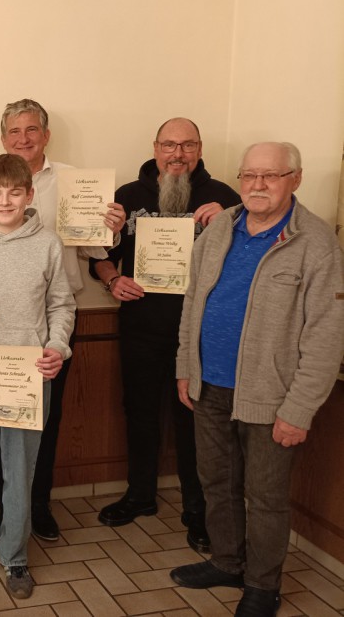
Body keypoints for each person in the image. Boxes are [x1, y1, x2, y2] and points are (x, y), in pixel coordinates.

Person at [170, 142, 344, 617]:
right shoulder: (220, 228)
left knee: (265, 498)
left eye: (271, 175)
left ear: (295, 179)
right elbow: (193, 303)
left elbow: (327, 334)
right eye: (249, 175)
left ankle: (263, 586)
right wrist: (186, 367)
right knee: (217, 481)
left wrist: (300, 409)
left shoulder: (315, 243)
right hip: (209, 386)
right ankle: (227, 562)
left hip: (272, 397)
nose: (258, 185)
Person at [0, 98, 124, 541]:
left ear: (46, 135)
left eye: (31, 129)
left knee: (43, 423)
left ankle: (36, 506)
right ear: (3, 139)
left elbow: (94, 249)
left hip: (51, 325)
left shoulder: (76, 182)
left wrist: (111, 229)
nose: (24, 139)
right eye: (14, 131)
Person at [90, 118, 240, 552]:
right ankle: (140, 494)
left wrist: (230, 223)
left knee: (194, 419)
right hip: (140, 326)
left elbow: (245, 262)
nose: (178, 154)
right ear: (155, 147)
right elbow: (100, 256)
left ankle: (197, 508)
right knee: (138, 411)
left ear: (199, 148)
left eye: (187, 145)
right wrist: (112, 280)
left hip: (201, 331)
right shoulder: (127, 196)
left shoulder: (226, 199)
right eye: (170, 145)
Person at [0, 154, 75, 599]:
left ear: (29, 194)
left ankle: (15, 556)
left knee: (19, 472)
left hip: (27, 377)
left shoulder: (48, 244)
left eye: (15, 192)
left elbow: (61, 305)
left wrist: (57, 347)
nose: (5, 201)